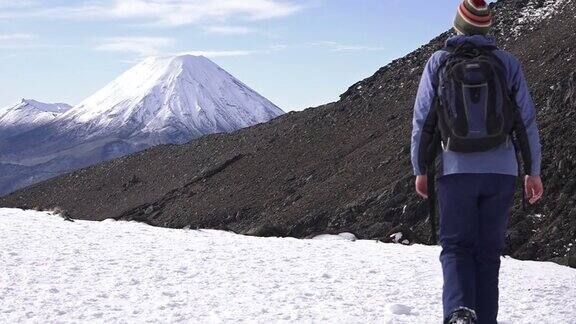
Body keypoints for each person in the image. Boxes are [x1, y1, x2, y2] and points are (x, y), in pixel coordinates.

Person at [410, 0, 544, 323]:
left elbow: (423, 121)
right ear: (485, 28)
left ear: (458, 26)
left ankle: (458, 312)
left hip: (456, 172)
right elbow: (526, 122)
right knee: (487, 254)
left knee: (456, 247)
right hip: (501, 173)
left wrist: (420, 169)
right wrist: (533, 172)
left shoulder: (439, 62)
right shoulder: (507, 63)